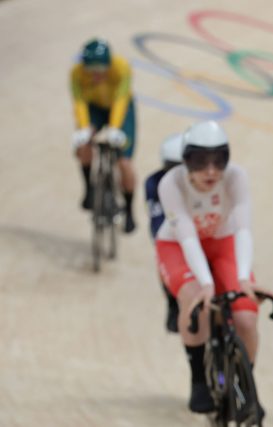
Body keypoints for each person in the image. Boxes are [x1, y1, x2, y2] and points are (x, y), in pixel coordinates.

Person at [155, 120, 261, 414]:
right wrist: (206, 284)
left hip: (222, 242)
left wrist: (242, 278)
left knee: (246, 318)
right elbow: (187, 237)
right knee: (195, 303)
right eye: (201, 163)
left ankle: (243, 382)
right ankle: (199, 380)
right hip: (177, 245)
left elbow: (243, 230)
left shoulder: (236, 176)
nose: (212, 171)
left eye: (219, 161)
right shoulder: (170, 183)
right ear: (186, 162)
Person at [70, 38, 137, 233]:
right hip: (95, 108)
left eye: (101, 68)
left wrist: (115, 127)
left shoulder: (121, 67)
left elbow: (121, 99)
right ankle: (89, 189)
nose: (97, 73)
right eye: (92, 68)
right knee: (83, 145)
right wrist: (83, 129)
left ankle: (129, 211)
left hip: (121, 110)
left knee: (124, 162)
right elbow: (79, 102)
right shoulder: (76, 73)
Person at [144, 134, 183, 333]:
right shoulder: (153, 182)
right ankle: (171, 301)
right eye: (171, 167)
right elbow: (156, 224)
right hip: (170, 230)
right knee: (162, 255)